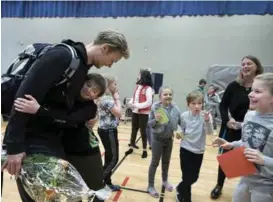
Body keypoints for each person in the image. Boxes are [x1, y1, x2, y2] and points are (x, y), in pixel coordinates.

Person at [2, 30, 129, 202]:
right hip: (32, 143)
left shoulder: (82, 67)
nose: (110, 65)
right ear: (105, 48)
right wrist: (14, 146)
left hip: (52, 141)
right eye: (112, 60)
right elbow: (23, 98)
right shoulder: (62, 56)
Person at [11, 73, 107, 202]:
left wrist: (39, 110)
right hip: (64, 151)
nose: (89, 90)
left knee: (91, 191)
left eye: (94, 91)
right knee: (65, 191)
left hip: (85, 153)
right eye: (88, 85)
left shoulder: (90, 108)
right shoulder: (66, 95)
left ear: (97, 97)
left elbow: (68, 119)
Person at [213, 73, 273, 202]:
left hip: (266, 187)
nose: (250, 94)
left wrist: (264, 160)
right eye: (252, 90)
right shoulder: (249, 116)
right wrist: (232, 144)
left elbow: (263, 158)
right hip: (245, 179)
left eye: (257, 91)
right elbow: (245, 141)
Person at [176, 91, 213, 202]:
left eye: (199, 103)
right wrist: (179, 133)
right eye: (193, 103)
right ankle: (185, 198)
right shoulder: (184, 116)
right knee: (186, 176)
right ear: (188, 104)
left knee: (194, 177)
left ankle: (180, 188)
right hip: (185, 149)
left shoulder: (205, 116)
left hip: (199, 151)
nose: (197, 106)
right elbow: (181, 129)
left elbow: (210, 132)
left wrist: (207, 120)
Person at [147, 86, 181, 198]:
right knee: (155, 162)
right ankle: (150, 186)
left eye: (170, 94)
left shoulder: (176, 108)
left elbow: (179, 124)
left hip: (169, 139)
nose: (168, 96)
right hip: (157, 139)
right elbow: (149, 124)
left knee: (166, 162)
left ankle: (165, 181)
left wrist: (180, 132)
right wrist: (155, 120)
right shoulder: (155, 107)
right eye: (165, 94)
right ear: (160, 96)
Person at [97, 75, 122, 191]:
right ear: (108, 85)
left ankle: (107, 182)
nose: (116, 86)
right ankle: (98, 180)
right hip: (108, 131)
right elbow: (119, 113)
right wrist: (117, 98)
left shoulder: (105, 97)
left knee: (109, 157)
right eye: (115, 84)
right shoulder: (107, 99)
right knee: (113, 159)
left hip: (107, 130)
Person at [125, 70, 153, 158]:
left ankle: (144, 150)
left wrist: (137, 105)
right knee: (134, 130)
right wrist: (130, 103)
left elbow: (149, 102)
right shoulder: (137, 87)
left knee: (143, 131)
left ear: (143, 76)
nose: (138, 76)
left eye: (139, 75)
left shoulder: (148, 89)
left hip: (144, 113)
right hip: (135, 112)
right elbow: (134, 98)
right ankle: (131, 147)